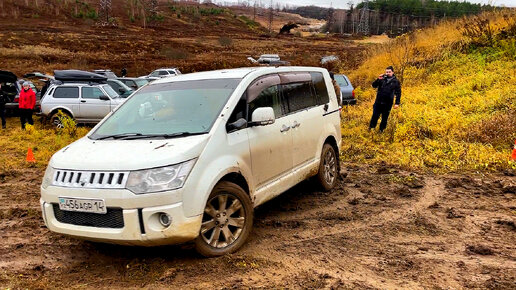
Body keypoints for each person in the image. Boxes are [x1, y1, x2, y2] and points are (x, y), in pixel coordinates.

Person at [369, 66, 401, 132]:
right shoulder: (382, 79)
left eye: (389, 72)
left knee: (384, 118)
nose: (388, 73)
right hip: (378, 102)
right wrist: (378, 79)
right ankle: (371, 129)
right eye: (387, 72)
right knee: (374, 116)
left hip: (388, 103)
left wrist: (397, 103)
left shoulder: (396, 82)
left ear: (393, 72)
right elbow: (373, 86)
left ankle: (381, 130)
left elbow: (398, 93)